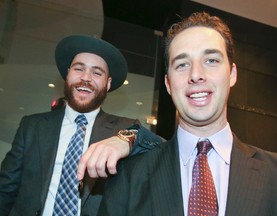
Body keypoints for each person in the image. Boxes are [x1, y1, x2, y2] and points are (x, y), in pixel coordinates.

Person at [97, 12, 277, 216]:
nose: (196, 75)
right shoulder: (128, 177)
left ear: (232, 74)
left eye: (211, 60)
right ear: (168, 84)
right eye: (182, 65)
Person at [0, 35, 162, 216]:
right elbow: (6, 189)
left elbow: (162, 151)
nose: (86, 78)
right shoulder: (31, 126)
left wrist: (127, 139)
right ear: (67, 74)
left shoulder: (126, 128)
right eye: (79, 69)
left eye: (97, 72)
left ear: (107, 84)